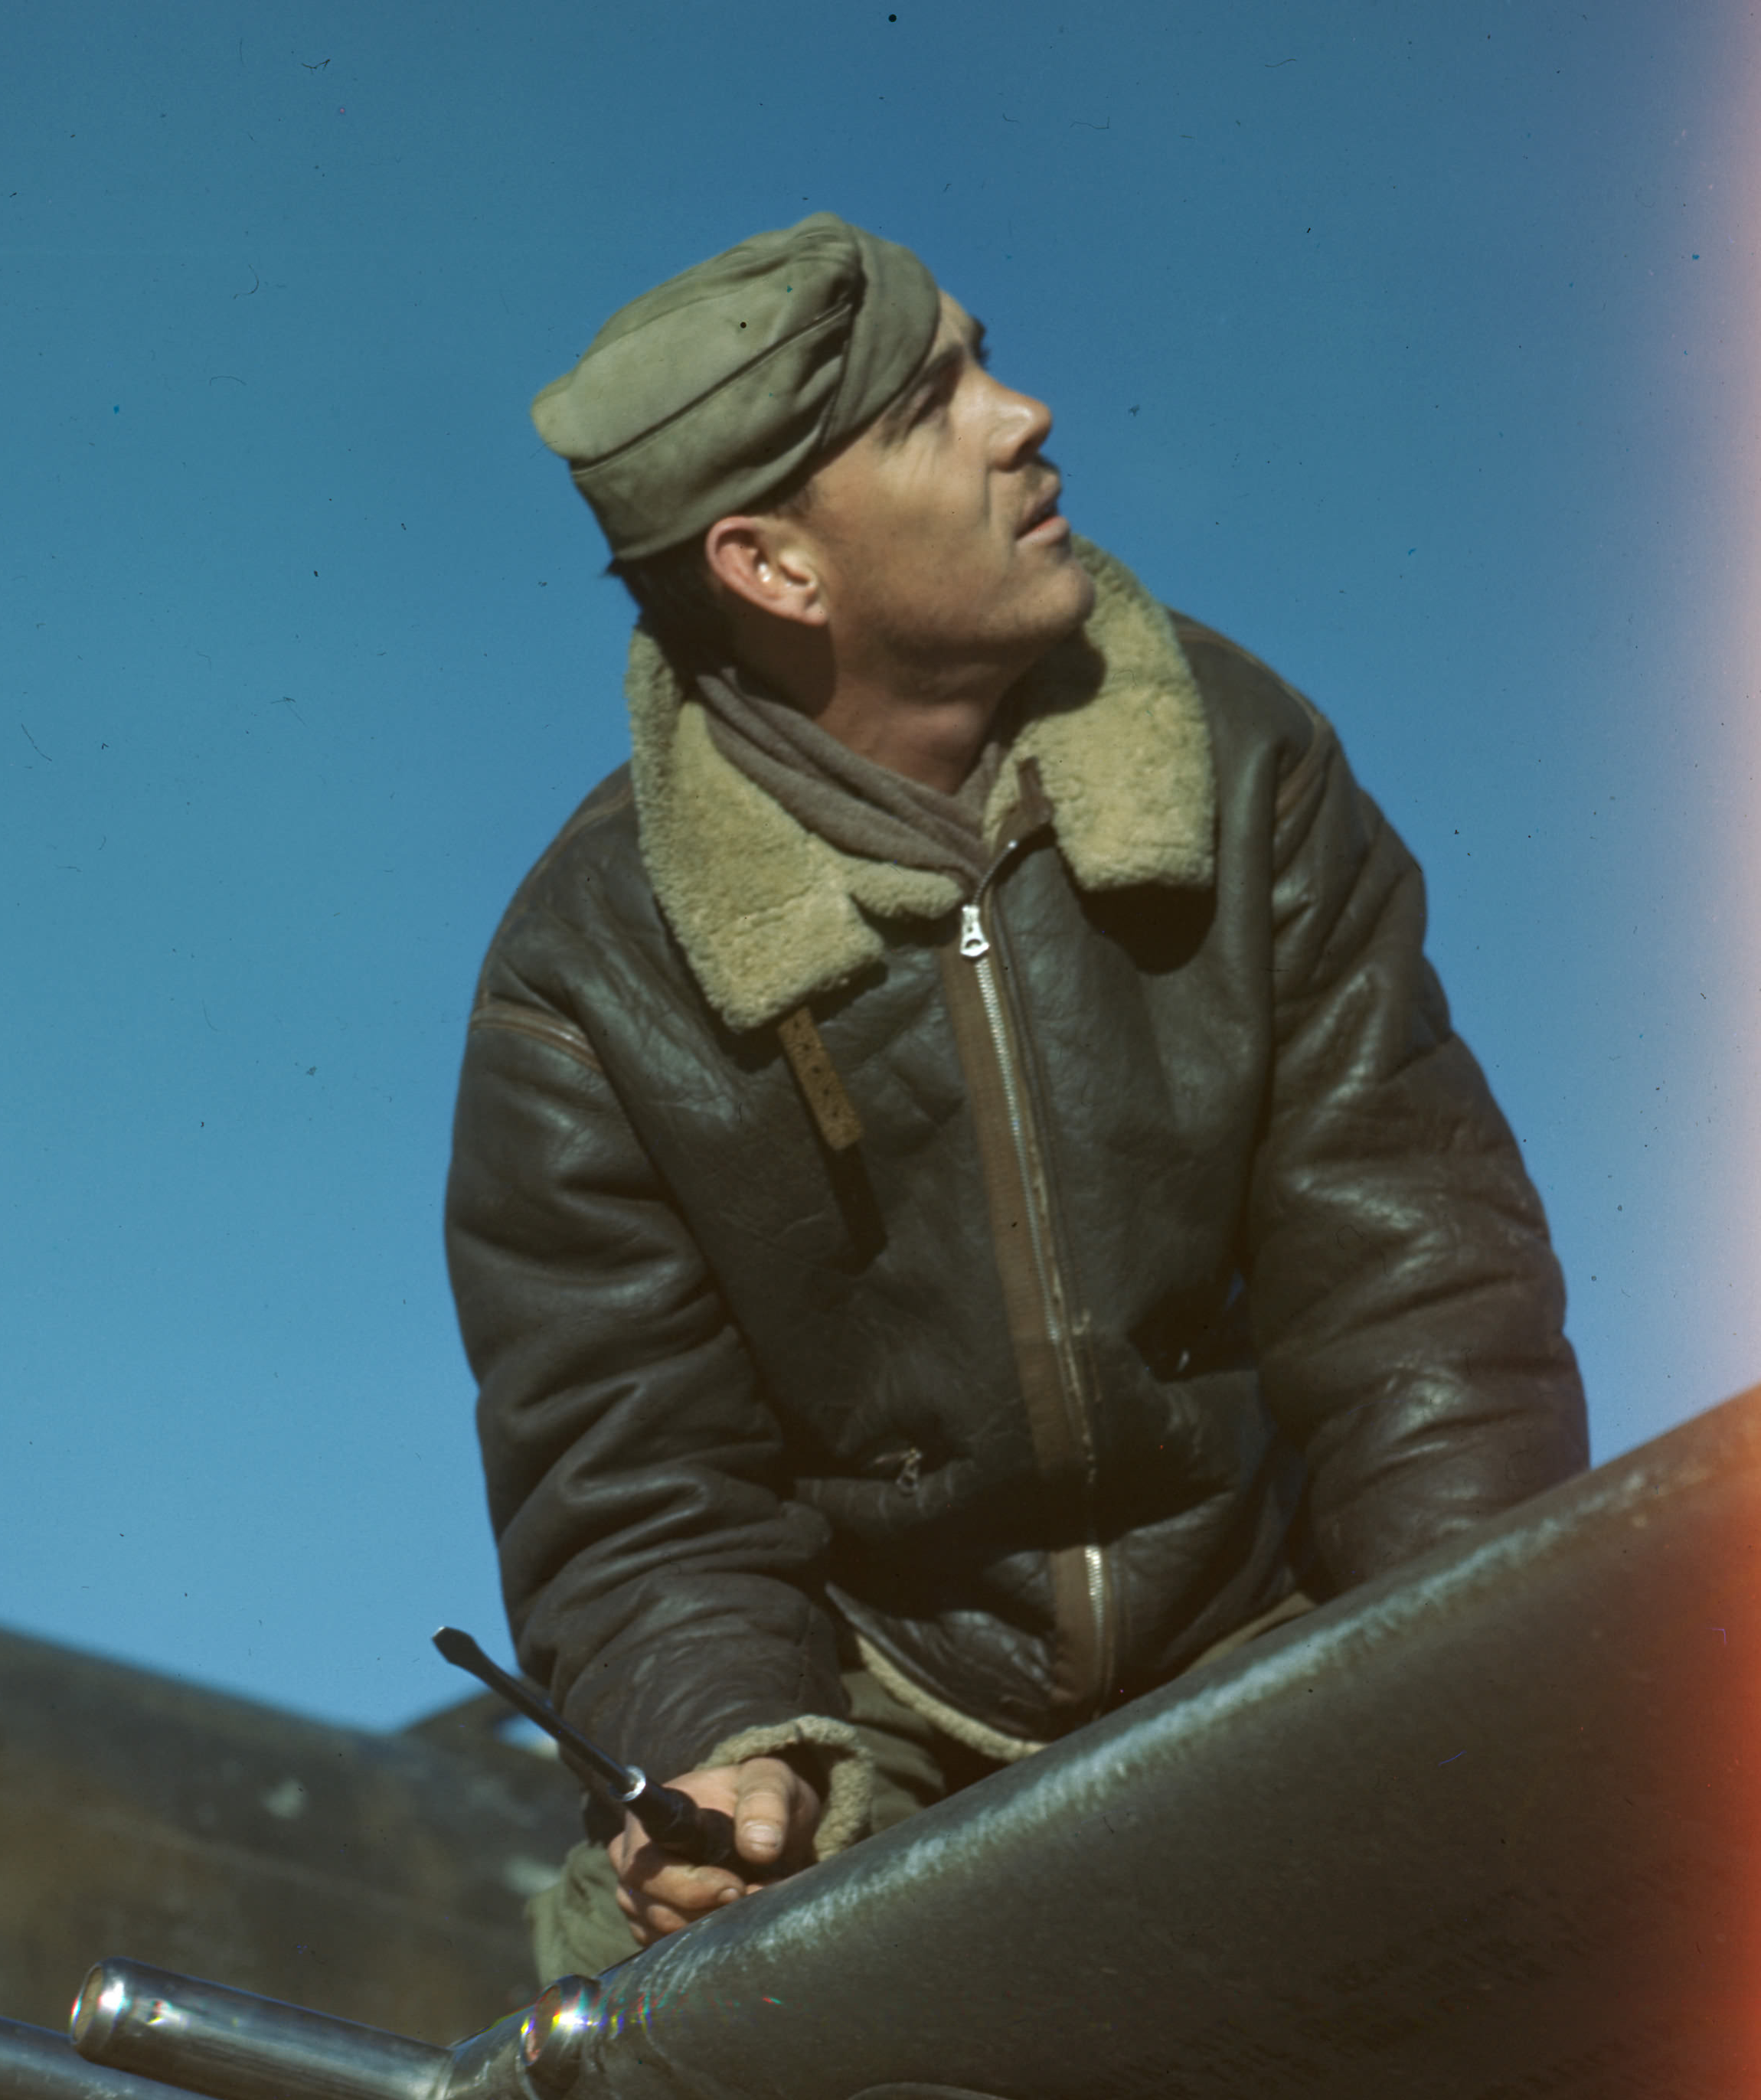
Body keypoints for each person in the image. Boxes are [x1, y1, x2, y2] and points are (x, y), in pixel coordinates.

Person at [449, 214, 1587, 1974]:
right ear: (774, 568)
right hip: (881, 1716)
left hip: (1272, 1633)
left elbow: (1412, 1277)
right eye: (932, 404)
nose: (1025, 415)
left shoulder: (1242, 756)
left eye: (982, 358)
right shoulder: (583, 977)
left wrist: (1467, 1671)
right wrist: (741, 1752)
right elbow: (634, 1480)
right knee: (638, 2034)